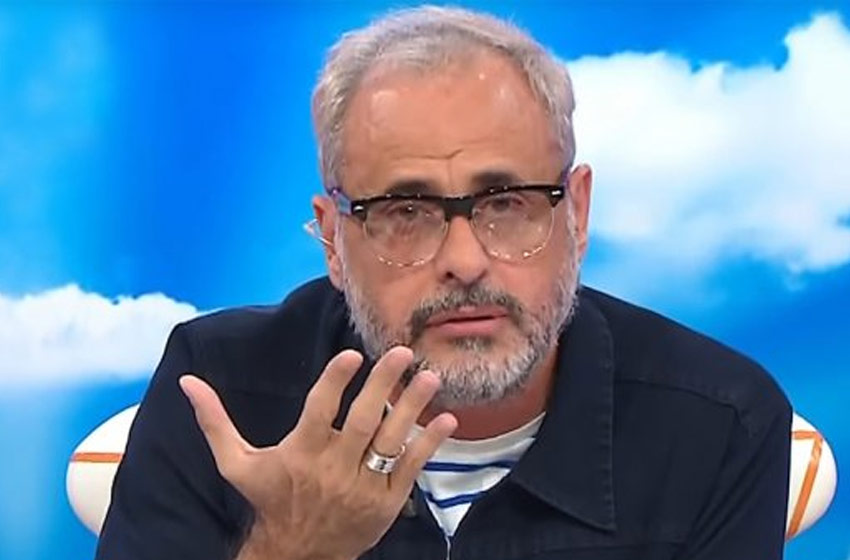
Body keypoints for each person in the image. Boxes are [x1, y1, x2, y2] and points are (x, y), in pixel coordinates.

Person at [95, 5, 792, 560]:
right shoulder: (218, 389)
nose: (465, 260)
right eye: (406, 212)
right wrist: (296, 548)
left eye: (507, 204)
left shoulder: (719, 423)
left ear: (577, 214)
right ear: (333, 239)